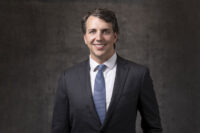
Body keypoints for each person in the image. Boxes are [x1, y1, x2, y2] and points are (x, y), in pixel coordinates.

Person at [52, 8, 162, 133]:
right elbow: (59, 129)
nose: (99, 38)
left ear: (115, 36)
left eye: (105, 31)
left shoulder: (138, 75)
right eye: (92, 31)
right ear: (85, 38)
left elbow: (153, 128)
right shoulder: (68, 78)